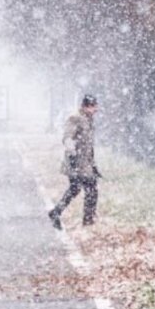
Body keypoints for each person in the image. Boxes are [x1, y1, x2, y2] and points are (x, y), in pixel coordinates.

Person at [49, 94, 100, 229]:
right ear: (85, 106)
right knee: (90, 190)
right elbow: (67, 137)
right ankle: (88, 221)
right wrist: (72, 153)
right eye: (93, 106)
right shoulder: (75, 118)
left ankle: (56, 212)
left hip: (86, 163)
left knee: (78, 189)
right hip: (76, 162)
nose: (96, 109)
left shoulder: (88, 119)